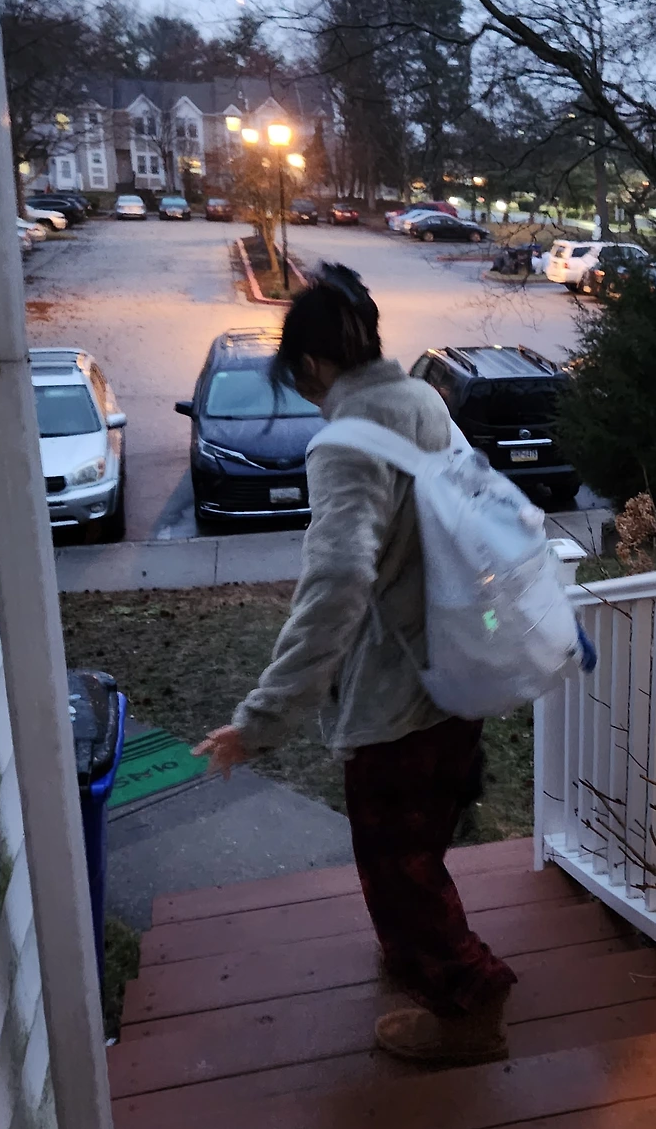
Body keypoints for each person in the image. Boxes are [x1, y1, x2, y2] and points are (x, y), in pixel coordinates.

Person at [193, 265, 517, 1065]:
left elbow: (338, 580)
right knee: (420, 844)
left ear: (311, 366)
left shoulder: (344, 442)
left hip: (399, 693)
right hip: (457, 668)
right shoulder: (422, 400)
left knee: (397, 865)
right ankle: (413, 954)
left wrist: (263, 717)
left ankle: (470, 1002)